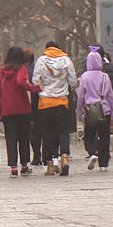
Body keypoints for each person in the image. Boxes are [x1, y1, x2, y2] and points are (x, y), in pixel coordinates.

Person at [32, 40, 78, 176]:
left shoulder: (41, 60)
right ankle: (64, 157)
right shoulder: (66, 60)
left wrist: (44, 84)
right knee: (63, 132)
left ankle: (50, 166)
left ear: (47, 49)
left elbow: (35, 81)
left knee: (47, 134)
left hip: (45, 103)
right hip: (62, 102)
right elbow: (73, 81)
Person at [0, 46, 38, 176]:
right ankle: (24, 165)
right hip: (23, 108)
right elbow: (21, 82)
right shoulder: (22, 69)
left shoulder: (2, 71)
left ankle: (13, 166)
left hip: (7, 110)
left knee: (11, 138)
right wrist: (36, 89)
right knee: (24, 137)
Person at [78, 49, 113, 171]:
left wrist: (79, 111)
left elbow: (81, 96)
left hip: (90, 110)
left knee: (89, 135)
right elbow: (110, 96)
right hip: (104, 110)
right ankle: (104, 165)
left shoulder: (84, 77)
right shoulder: (105, 77)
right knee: (104, 137)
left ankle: (92, 153)